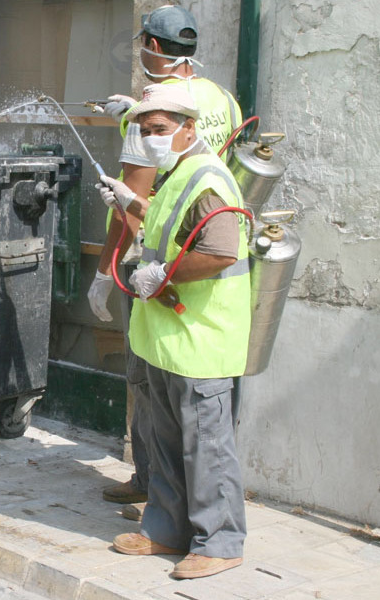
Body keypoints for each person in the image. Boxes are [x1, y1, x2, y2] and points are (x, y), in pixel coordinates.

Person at [88, 4, 242, 520]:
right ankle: (168, 508)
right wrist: (133, 108)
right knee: (191, 414)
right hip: (197, 263)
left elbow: (136, 186)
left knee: (160, 396)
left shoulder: (155, 112)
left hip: (171, 271)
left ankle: (153, 488)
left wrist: (104, 269)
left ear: (152, 48)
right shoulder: (221, 100)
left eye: (152, 126)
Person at [97, 83, 249, 579]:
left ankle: (220, 543)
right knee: (165, 442)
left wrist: (162, 274)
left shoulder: (208, 180)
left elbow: (221, 250)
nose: (151, 138)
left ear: (188, 129)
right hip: (166, 337)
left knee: (206, 447)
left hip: (201, 338)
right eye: (144, 131)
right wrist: (128, 201)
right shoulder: (177, 172)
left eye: (159, 129)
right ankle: (166, 530)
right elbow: (166, 230)